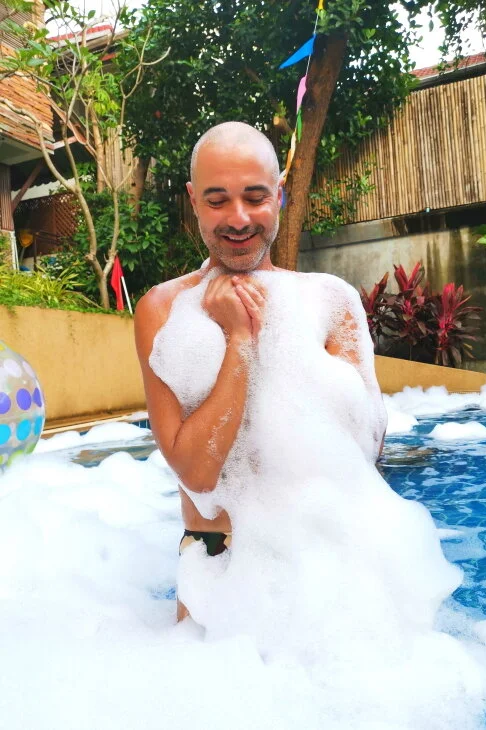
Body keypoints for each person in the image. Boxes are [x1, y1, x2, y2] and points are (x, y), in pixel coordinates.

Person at [134, 121, 386, 622]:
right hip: (216, 571)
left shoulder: (331, 302)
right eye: (217, 200)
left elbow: (365, 452)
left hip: (324, 563)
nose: (239, 218)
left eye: (255, 197)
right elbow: (197, 473)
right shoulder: (161, 310)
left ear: (279, 195)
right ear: (193, 200)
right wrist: (240, 342)